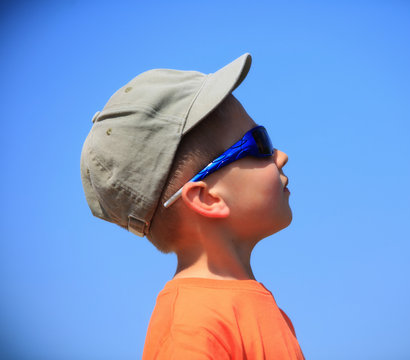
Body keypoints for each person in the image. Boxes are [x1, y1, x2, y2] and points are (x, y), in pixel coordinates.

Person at [81, 53, 304, 359]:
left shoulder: (249, 304)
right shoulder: (190, 331)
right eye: (260, 143)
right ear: (207, 198)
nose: (281, 155)